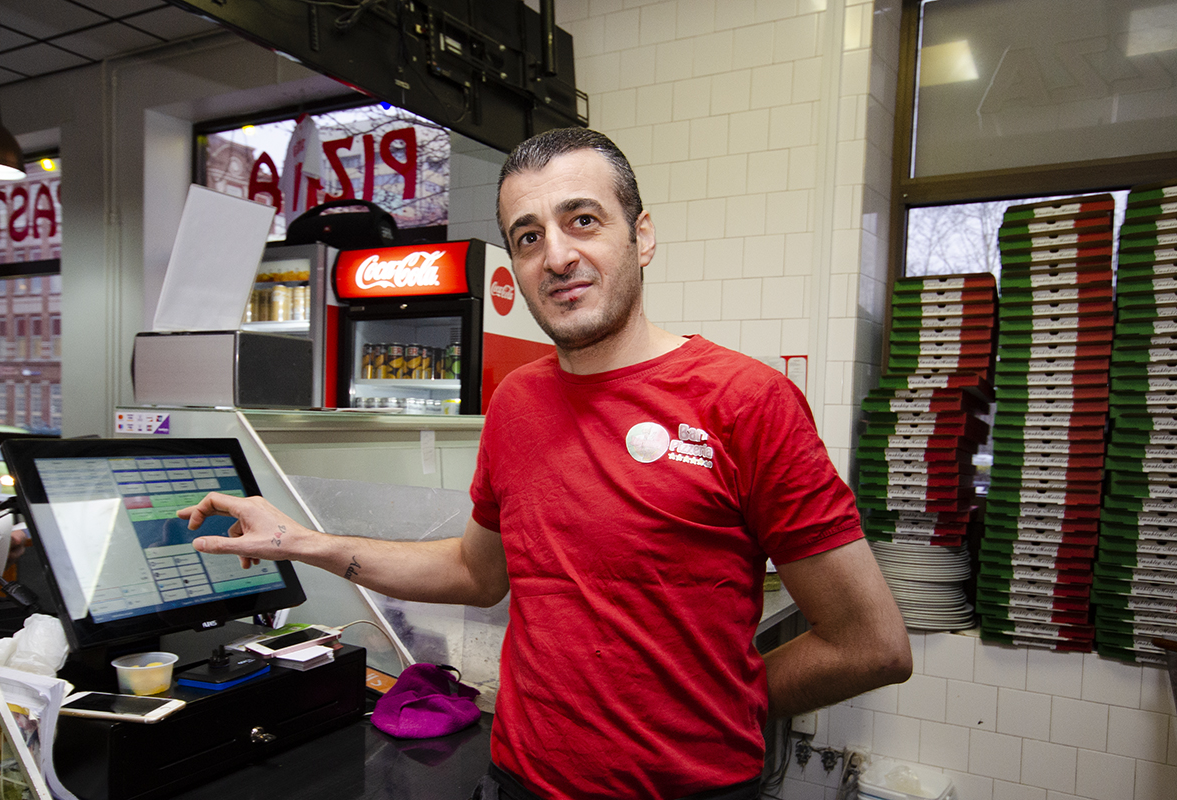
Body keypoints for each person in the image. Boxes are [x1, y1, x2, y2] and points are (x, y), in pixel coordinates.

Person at [179, 128, 912, 800]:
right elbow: (478, 571)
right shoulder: (518, 402)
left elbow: (870, 644)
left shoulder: (748, 402)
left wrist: (728, 698)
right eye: (527, 236)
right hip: (519, 780)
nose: (556, 255)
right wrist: (297, 542)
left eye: (582, 220)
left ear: (642, 235)